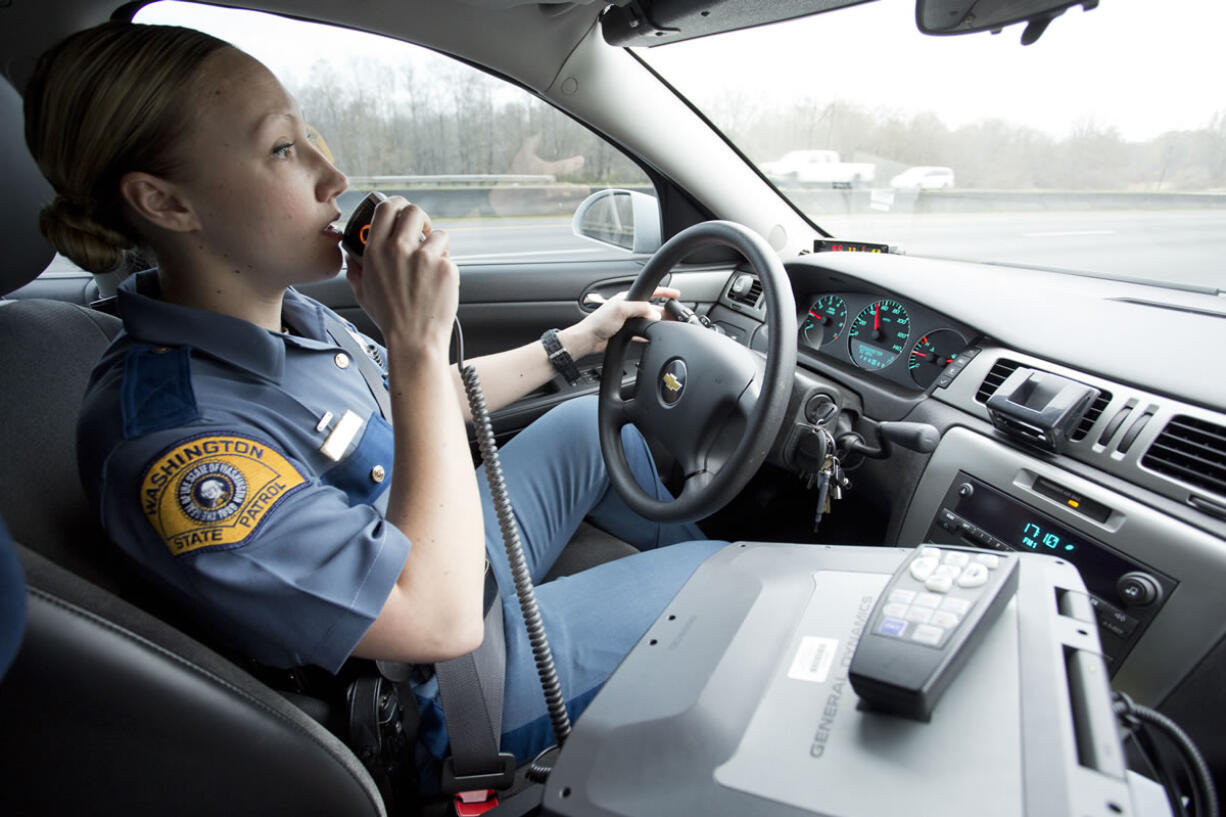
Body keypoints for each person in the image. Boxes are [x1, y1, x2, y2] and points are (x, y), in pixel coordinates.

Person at [23, 20, 727, 773]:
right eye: (283, 150)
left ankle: (699, 657)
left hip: (419, 543)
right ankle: (723, 632)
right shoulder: (179, 447)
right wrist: (416, 341)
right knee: (727, 583)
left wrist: (576, 343)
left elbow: (408, 408)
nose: (333, 175)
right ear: (166, 202)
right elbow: (441, 620)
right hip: (441, 680)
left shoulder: (288, 312)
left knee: (592, 429)